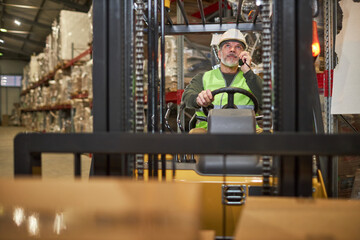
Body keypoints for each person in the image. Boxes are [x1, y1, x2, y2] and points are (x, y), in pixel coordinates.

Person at [181, 28, 263, 129]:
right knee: (195, 137)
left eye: (238, 47)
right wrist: (198, 99)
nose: (232, 50)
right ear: (219, 54)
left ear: (244, 55)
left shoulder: (252, 79)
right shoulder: (203, 77)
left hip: (247, 131)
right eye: (227, 46)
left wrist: (248, 72)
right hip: (209, 131)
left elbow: (268, 101)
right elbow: (187, 97)